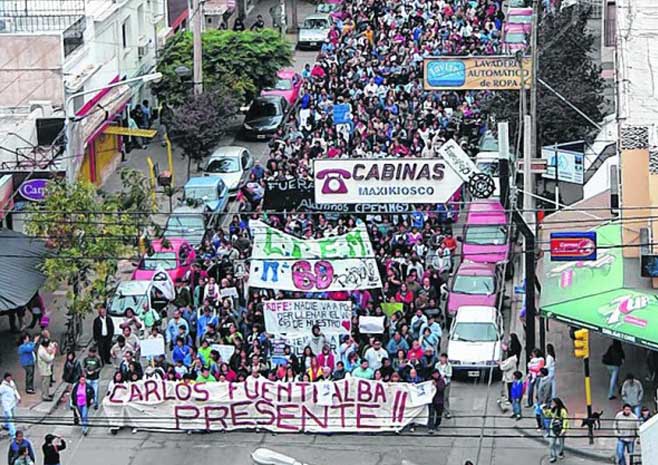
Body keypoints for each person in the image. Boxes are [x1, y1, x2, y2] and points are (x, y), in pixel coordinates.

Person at [543, 398, 569, 463]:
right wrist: (545, 410)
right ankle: (553, 456)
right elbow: (548, 415)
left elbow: (565, 420)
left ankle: (560, 452)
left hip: (560, 429)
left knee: (561, 443)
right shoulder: (553, 409)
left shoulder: (563, 411)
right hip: (553, 428)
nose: (552, 404)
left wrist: (564, 429)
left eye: (553, 403)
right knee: (551, 443)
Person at [0, 373, 20, 439]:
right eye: (8, 377)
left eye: (10, 377)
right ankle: (13, 434)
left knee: (10, 416)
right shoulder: (2, 386)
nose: (10, 379)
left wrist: (18, 397)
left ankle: (6, 425)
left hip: (12, 403)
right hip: (6, 405)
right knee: (10, 419)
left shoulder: (11, 382)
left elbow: (15, 390)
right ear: (5, 378)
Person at [428, 369, 446, 433]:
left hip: (439, 400)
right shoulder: (429, 380)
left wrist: (436, 385)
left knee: (439, 414)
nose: (435, 375)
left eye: (436, 374)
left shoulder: (441, 380)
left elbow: (441, 389)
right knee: (431, 414)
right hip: (432, 400)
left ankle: (437, 425)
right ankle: (431, 427)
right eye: (433, 374)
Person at [435, 353, 453, 418]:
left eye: (444, 358)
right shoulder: (437, 365)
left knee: (445, 397)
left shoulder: (449, 365)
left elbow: (450, 374)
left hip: (446, 383)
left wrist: (444, 375)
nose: (443, 359)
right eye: (442, 358)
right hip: (438, 383)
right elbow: (435, 372)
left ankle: (447, 412)